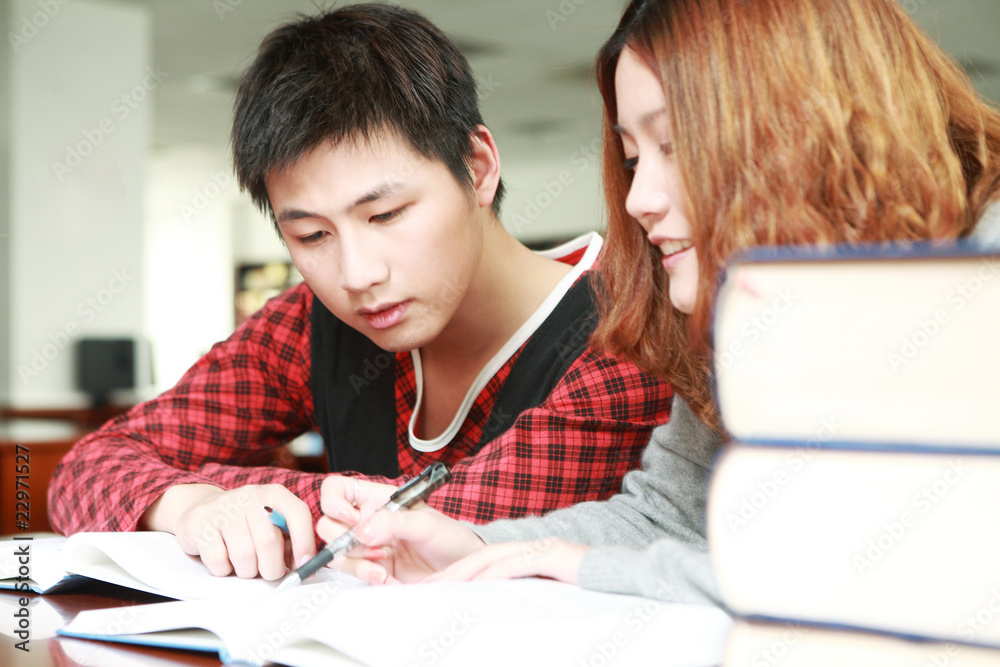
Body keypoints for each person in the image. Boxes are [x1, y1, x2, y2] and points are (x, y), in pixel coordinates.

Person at [317, 0, 1000, 601]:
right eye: (635, 157)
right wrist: (479, 543)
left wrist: (578, 565)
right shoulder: (751, 303)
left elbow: (914, 572)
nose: (640, 199)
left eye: (675, 145)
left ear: (806, 122)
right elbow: (668, 514)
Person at [47, 4, 673, 581]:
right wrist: (191, 503)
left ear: (477, 169)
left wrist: (285, 496)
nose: (356, 275)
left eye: (386, 215)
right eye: (313, 234)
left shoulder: (624, 336)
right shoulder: (313, 323)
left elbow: (418, 531)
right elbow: (86, 467)